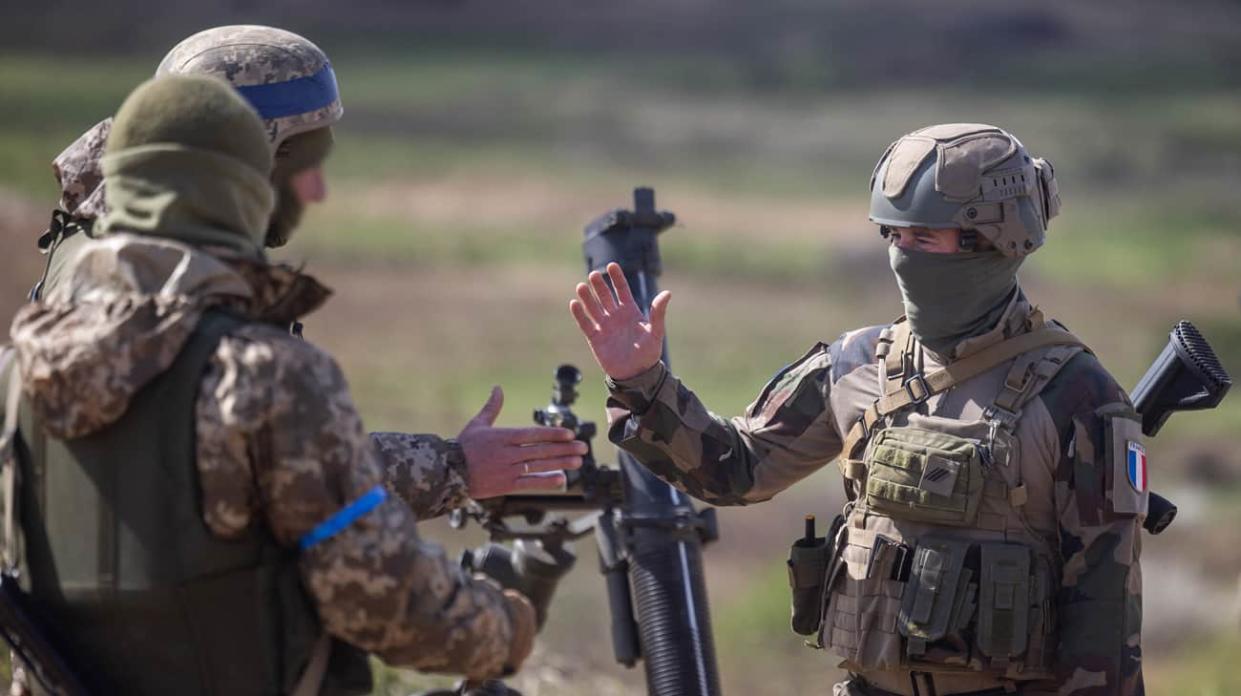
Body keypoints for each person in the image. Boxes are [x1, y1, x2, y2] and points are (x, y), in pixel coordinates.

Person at [0, 75, 569, 695]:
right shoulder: (264, 375)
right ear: (238, 193)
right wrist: (509, 625)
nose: (314, 189)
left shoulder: (18, 376)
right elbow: (390, 603)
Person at [569, 124, 1145, 695]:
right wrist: (641, 383)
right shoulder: (856, 363)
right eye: (893, 235)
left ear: (992, 240)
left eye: (925, 238)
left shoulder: (1075, 395)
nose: (902, 255)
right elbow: (737, 467)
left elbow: (1103, 621)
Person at [27, 24, 579, 543]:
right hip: (177, 632)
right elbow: (283, 476)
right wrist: (457, 467)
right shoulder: (182, 288)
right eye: (297, 160)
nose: (313, 190)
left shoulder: (91, 248)